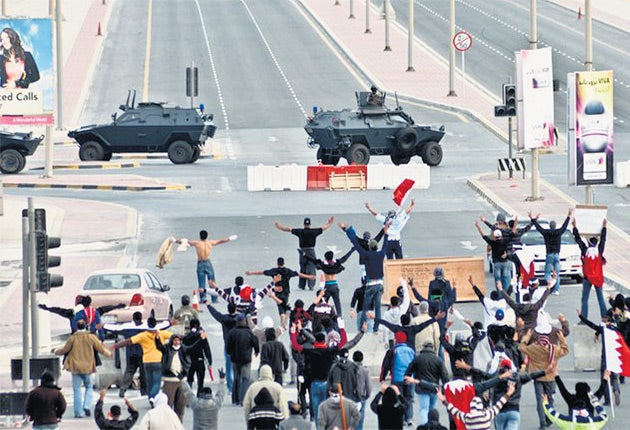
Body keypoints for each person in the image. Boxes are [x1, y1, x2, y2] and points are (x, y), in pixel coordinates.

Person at [53, 319, 112, 418]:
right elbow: (100, 349)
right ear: (86, 326)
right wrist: (109, 353)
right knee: (89, 387)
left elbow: (65, 350)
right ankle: (87, 405)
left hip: (75, 367)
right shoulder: (91, 337)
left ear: (77, 327)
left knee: (77, 390)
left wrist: (55, 351)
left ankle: (78, 412)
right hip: (88, 367)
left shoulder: (72, 338)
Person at [341, 221, 390, 331]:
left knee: (365, 307)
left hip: (371, 284)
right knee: (377, 308)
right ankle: (376, 328)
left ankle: (363, 325)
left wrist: (348, 231)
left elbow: (356, 243)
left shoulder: (366, 255)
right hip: (380, 284)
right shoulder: (381, 254)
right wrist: (386, 233)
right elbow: (385, 244)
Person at [110, 316, 173, 402]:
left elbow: (128, 341)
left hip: (145, 360)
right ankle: (151, 396)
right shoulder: (161, 333)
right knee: (156, 382)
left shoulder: (142, 334)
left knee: (143, 378)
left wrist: (115, 346)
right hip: (157, 360)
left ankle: (125, 389)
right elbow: (174, 336)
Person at [518, 328, 569, 429]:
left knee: (540, 401)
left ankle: (542, 423)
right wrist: (562, 339)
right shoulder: (553, 349)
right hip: (550, 378)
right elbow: (565, 350)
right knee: (550, 400)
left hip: (538, 378)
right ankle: (549, 418)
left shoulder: (533, 348)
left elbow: (521, 347)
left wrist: (527, 337)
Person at [246, 257, 313, 325]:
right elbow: (298, 274)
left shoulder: (274, 271)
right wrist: (309, 277)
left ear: (277, 263)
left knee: (280, 307)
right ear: (283, 263)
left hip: (278, 292)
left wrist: (251, 273)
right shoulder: (288, 271)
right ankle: (284, 322)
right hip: (286, 292)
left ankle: (283, 323)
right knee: (284, 305)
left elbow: (262, 272)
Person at [274, 216, 335, 291]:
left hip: (302, 251)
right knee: (312, 267)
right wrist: (330, 223)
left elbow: (289, 229)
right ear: (310, 224)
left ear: (304, 225)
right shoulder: (313, 232)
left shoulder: (300, 231)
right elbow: (324, 228)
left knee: (303, 268)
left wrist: (279, 227)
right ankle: (311, 285)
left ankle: (301, 285)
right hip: (311, 251)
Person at [177, 230, 236, 303]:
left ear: (200, 236)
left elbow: (184, 242)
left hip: (200, 263)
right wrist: (230, 238)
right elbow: (221, 241)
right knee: (212, 281)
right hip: (207, 262)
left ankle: (203, 298)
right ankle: (214, 298)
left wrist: (174, 240)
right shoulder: (210, 243)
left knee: (201, 282)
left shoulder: (197, 243)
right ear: (207, 236)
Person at [157, 333, 204, 421]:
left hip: (182, 379)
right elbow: (159, 347)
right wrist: (157, 338)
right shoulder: (167, 349)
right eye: (175, 340)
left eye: (178, 340)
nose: (177, 342)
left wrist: (201, 339)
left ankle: (179, 425)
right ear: (172, 341)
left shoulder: (184, 349)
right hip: (169, 380)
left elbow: (193, 348)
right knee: (168, 405)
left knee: (180, 405)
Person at [404, 341, 449, 427]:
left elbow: (409, 370)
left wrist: (408, 378)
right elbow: (445, 375)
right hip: (434, 388)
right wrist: (445, 389)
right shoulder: (438, 359)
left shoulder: (418, 358)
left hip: (421, 388)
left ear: (423, 348)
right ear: (433, 348)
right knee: (431, 409)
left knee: (423, 409)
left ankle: (424, 427)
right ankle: (431, 426)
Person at [436, 382, 516, 430]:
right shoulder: (487, 415)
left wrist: (442, 398)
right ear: (481, 406)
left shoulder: (467, 417)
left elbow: (453, 409)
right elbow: (500, 404)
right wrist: (509, 393)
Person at [300, 247, 355, 317]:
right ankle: (339, 317)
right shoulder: (336, 263)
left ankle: (324, 315)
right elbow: (345, 258)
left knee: (322, 300)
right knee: (337, 304)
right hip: (335, 285)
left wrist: (304, 255)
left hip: (327, 286)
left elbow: (313, 260)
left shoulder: (323, 264)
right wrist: (351, 250)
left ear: (325, 257)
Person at [529, 209, 572, 293]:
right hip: (557, 255)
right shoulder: (558, 232)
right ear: (555, 226)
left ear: (549, 226)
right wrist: (568, 216)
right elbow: (564, 226)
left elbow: (538, 228)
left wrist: (533, 219)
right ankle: (556, 289)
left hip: (549, 254)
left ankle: (550, 283)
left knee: (547, 273)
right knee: (556, 273)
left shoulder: (546, 233)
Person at [573, 217, 608, 319]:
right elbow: (604, 239)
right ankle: (605, 318)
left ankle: (584, 319)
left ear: (588, 243)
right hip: (598, 278)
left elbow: (578, 239)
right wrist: (604, 227)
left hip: (587, 278)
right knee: (600, 298)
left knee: (584, 299)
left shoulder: (585, 251)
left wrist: (575, 227)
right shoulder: (599, 251)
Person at [379, 332, 415, 426]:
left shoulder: (393, 350)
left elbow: (385, 365)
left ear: (396, 339)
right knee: (409, 398)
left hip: (397, 378)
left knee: (398, 398)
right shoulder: (411, 350)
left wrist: (382, 378)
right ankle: (409, 418)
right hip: (409, 378)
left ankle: (401, 418)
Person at [226, 313, 260, 405]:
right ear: (245, 321)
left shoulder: (232, 332)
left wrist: (230, 353)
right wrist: (256, 351)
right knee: (245, 379)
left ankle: (235, 399)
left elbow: (228, 348)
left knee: (236, 378)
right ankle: (243, 399)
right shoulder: (249, 332)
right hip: (246, 359)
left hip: (235, 359)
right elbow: (255, 342)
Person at [474, 220, 515, 294]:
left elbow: (484, 236)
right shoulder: (505, 241)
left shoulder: (492, 243)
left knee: (498, 279)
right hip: (505, 262)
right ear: (501, 236)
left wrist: (478, 227)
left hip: (496, 263)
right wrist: (514, 224)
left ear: (495, 237)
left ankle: (499, 293)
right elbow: (512, 235)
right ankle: (506, 294)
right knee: (505, 278)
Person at [207, 301, 238, 393]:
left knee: (228, 368)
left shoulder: (224, 319)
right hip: (237, 346)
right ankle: (237, 386)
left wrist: (209, 306)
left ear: (228, 310)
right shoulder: (239, 319)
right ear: (236, 309)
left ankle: (230, 388)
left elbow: (215, 314)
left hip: (228, 345)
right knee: (237, 367)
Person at [183, 318, 213, 395]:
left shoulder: (187, 337)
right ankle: (199, 395)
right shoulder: (202, 336)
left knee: (189, 379)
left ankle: (188, 397)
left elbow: (183, 349)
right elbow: (207, 349)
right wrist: (209, 362)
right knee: (200, 380)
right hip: (200, 360)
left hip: (190, 361)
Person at [353, 350, 371, 430]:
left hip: (350, 395)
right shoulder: (365, 370)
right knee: (361, 415)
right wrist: (368, 395)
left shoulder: (349, 368)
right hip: (361, 396)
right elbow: (368, 385)